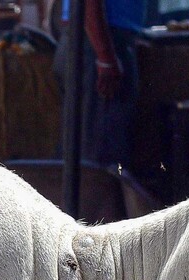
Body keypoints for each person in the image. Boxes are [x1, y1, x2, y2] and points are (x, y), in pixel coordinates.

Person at [51, 0, 143, 170]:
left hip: (95, 40)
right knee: (96, 155)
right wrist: (105, 56)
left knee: (86, 147)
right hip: (98, 43)